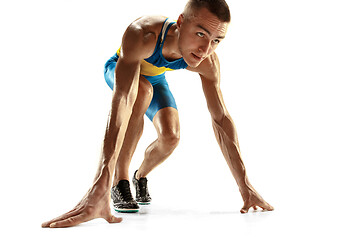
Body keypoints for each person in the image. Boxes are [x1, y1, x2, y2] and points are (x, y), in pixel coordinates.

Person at [42, 0, 274, 228]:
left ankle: (139, 175)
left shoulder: (207, 61)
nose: (205, 49)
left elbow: (220, 119)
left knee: (171, 137)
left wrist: (246, 186)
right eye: (201, 34)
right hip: (121, 70)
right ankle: (117, 181)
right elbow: (123, 100)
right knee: (142, 91)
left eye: (216, 40)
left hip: (155, 79)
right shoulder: (143, 34)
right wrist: (100, 180)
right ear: (181, 22)